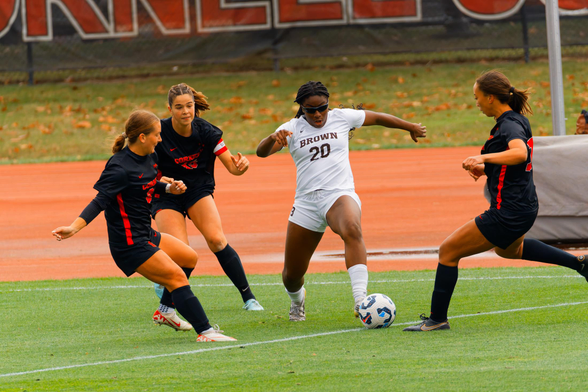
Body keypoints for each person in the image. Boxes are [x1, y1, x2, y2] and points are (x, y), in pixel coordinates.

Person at [404, 70, 588, 332]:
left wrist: (483, 159)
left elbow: (519, 153)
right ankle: (580, 264)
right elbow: (512, 160)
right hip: (524, 206)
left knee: (447, 251)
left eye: (477, 97)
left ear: (491, 97)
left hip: (509, 211)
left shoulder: (509, 124)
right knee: (509, 250)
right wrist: (487, 169)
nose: (476, 102)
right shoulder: (514, 120)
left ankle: (436, 320)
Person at [52, 110, 236, 342]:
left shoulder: (150, 156)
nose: (160, 139)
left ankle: (166, 311)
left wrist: (168, 188)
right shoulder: (118, 167)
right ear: (142, 137)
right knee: (177, 278)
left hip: (146, 234)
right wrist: (73, 228)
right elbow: (100, 201)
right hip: (129, 244)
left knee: (189, 258)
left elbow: (147, 182)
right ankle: (206, 332)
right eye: (157, 135)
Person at [256, 81, 427, 321]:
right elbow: (261, 152)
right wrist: (272, 137)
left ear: (328, 103)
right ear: (301, 109)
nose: (317, 114)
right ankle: (297, 300)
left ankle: (361, 302)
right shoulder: (292, 128)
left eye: (322, 108)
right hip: (306, 202)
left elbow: (377, 117)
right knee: (291, 275)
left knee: (352, 228)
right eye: (310, 110)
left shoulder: (342, 117)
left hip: (338, 193)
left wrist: (410, 126)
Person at [150, 83, 263, 318]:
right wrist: (166, 183)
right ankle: (167, 301)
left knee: (217, 240)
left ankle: (249, 297)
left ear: (194, 106)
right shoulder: (157, 132)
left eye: (189, 106)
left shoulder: (207, 131)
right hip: (166, 194)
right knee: (182, 254)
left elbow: (232, 166)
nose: (185, 112)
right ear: (169, 108)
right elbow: (145, 169)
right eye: (179, 107)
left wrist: (242, 166)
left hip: (197, 191)